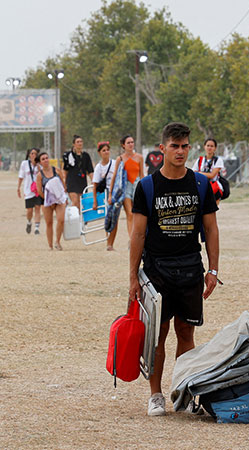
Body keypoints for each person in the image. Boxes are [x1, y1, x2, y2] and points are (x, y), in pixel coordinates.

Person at [130, 122, 220, 416]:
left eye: (184, 146)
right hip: (157, 270)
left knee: (186, 333)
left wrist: (213, 270)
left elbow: (211, 228)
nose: (180, 151)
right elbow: (138, 234)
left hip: (190, 269)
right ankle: (156, 395)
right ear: (162, 149)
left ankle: (183, 391)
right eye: (174, 146)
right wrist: (133, 276)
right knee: (158, 334)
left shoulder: (200, 184)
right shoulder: (147, 186)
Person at [110, 135, 145, 239]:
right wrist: (111, 194)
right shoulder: (120, 159)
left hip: (137, 185)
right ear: (123, 145)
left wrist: (144, 189)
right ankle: (132, 238)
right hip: (125, 187)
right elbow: (115, 176)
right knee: (129, 213)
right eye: (128, 143)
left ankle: (137, 235)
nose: (131, 144)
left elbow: (142, 174)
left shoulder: (139, 157)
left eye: (132, 142)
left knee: (137, 214)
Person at [36, 152, 67, 250]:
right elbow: (39, 190)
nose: (45, 160)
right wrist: (48, 199)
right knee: (49, 223)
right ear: (40, 162)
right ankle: (50, 245)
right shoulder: (39, 175)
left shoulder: (57, 171)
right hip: (47, 201)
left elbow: (63, 184)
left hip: (59, 200)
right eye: (43, 159)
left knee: (61, 220)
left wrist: (62, 197)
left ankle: (57, 241)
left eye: (46, 158)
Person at [92, 142, 117, 250]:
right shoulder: (98, 167)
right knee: (108, 217)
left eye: (107, 150)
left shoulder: (115, 163)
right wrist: (95, 201)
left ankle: (110, 243)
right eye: (104, 150)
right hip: (105, 193)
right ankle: (108, 241)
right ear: (99, 153)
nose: (106, 152)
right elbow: (95, 184)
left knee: (114, 218)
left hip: (116, 192)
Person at [62, 135, 93, 211]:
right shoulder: (68, 155)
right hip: (72, 181)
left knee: (82, 202)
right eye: (78, 142)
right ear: (74, 144)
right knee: (75, 202)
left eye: (81, 141)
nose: (80, 143)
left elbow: (90, 171)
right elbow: (65, 170)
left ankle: (81, 220)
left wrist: (93, 182)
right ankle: (75, 220)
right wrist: (64, 183)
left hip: (82, 181)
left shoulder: (86, 156)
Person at [191, 138, 226, 205]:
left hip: (214, 187)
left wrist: (199, 173)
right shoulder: (200, 160)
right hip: (202, 186)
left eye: (212, 146)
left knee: (213, 209)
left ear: (215, 148)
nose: (209, 148)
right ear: (204, 147)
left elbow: (212, 175)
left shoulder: (218, 160)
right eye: (208, 145)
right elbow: (193, 172)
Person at [18, 147, 42, 235]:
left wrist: (39, 167)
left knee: (38, 208)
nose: (34, 155)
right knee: (29, 210)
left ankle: (37, 228)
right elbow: (21, 176)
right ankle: (29, 222)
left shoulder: (40, 164)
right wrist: (18, 188)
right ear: (29, 155)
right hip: (28, 190)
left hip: (38, 190)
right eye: (32, 153)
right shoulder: (24, 164)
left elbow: (43, 175)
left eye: (35, 154)